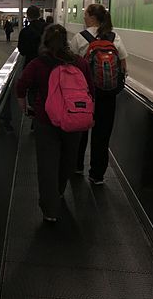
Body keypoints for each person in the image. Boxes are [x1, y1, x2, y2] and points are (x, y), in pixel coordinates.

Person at [16, 25, 95, 221]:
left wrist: (24, 106)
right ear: (66, 42)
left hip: (46, 119)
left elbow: (21, 86)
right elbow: (91, 91)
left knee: (47, 163)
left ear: (46, 41)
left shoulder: (38, 64)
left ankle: (50, 209)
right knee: (68, 160)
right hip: (74, 119)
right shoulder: (79, 63)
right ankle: (59, 191)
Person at [70, 3, 127, 185]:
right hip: (108, 95)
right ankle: (97, 174)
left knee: (80, 130)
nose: (84, 17)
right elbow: (123, 66)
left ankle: (77, 166)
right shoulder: (114, 37)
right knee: (102, 134)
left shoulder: (80, 38)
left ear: (92, 17)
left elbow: (70, 66)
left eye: (85, 14)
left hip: (84, 93)